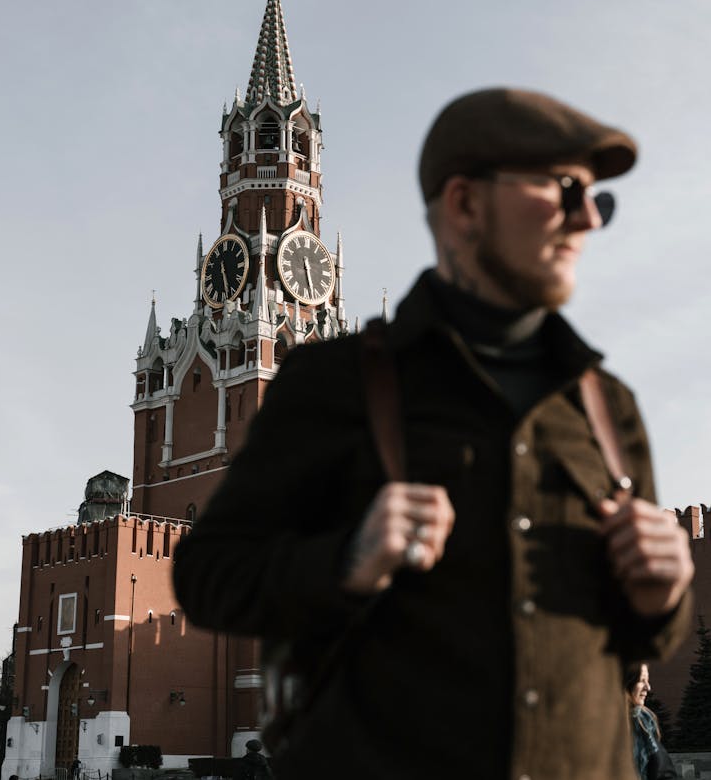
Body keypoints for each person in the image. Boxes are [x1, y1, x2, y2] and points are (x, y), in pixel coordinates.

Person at [174, 88, 694, 780]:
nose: (588, 220)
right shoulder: (336, 382)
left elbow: (622, 647)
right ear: (465, 204)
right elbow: (207, 574)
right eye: (563, 189)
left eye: (600, 199)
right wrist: (346, 562)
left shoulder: (607, 407)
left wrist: (662, 599)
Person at [625, 664, 677, 779]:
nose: (648, 687)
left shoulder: (644, 719)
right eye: (641, 681)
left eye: (647, 681)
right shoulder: (637, 719)